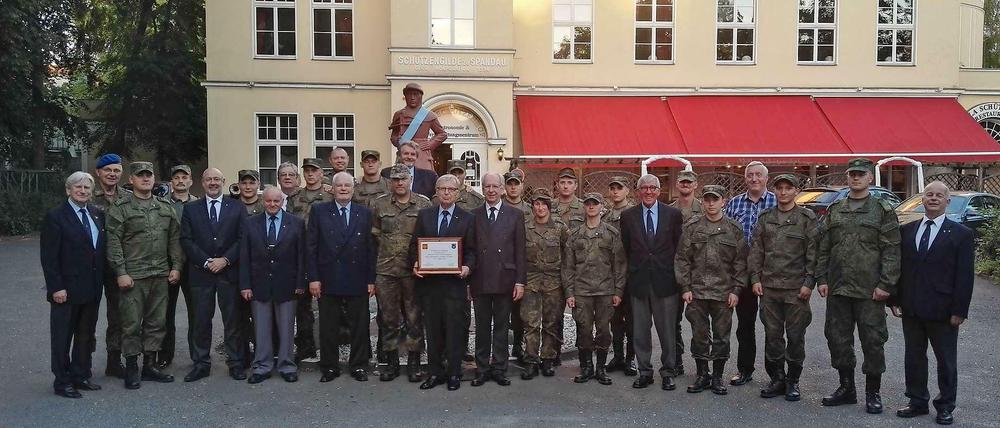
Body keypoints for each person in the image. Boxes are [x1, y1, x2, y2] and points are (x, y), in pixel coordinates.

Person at [816, 158, 901, 414]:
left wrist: (886, 284)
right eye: (852, 174)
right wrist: (822, 279)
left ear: (870, 178)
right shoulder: (836, 209)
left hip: (869, 290)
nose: (855, 178)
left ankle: (872, 393)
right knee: (838, 339)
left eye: (861, 174)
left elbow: (892, 250)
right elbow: (824, 247)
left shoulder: (881, 209)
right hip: (839, 287)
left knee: (873, 341)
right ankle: (846, 388)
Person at [890, 181, 974, 425]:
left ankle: (945, 405)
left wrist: (960, 310)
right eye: (929, 195)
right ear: (922, 199)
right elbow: (900, 268)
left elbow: (965, 276)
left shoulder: (961, 234)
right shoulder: (907, 230)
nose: (934, 198)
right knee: (914, 358)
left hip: (944, 311)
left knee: (946, 360)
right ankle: (917, 401)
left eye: (939, 195)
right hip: (912, 307)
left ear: (947, 201)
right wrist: (895, 299)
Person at [105, 161, 183, 389]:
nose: (146, 179)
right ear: (131, 180)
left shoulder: (164, 207)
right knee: (130, 324)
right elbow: (113, 243)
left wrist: (176, 266)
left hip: (160, 274)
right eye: (140, 176)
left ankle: (149, 365)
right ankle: (131, 366)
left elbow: (174, 241)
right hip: (134, 276)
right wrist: (120, 272)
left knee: (156, 323)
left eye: (149, 175)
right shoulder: (121, 207)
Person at [748, 174, 820, 402]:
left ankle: (793, 381)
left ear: (796, 191)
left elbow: (813, 254)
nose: (783, 192)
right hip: (769, 288)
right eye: (779, 188)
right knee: (772, 337)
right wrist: (755, 279)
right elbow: (756, 250)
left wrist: (809, 283)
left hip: (795, 290)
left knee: (796, 337)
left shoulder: (806, 218)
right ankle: (777, 378)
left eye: (788, 188)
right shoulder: (766, 217)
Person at [676, 185, 747, 396]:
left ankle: (717, 377)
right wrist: (685, 287)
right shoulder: (692, 227)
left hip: (723, 292)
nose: (710, 203)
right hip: (697, 292)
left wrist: (736, 290)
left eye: (715, 199)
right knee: (699, 335)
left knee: (722, 336)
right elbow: (682, 259)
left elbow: (741, 263)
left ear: (723, 201)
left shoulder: (733, 229)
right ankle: (702, 374)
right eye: (707, 199)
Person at [41, 172, 106, 398]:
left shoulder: (97, 214)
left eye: (87, 188)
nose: (82, 191)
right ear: (68, 190)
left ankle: (80, 374)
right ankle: (62, 380)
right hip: (66, 291)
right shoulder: (56, 216)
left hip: (92, 288)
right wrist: (55, 287)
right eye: (78, 187)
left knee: (85, 335)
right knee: (62, 337)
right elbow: (49, 257)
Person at [180, 168, 249, 382]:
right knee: (200, 321)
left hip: (229, 273)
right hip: (201, 274)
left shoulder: (237, 208)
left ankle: (236, 363)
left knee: (233, 321)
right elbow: (186, 240)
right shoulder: (191, 209)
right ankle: (201, 363)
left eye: (217, 179)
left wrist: (225, 260)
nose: (213, 183)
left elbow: (242, 238)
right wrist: (206, 261)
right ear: (202, 182)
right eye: (209, 179)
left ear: (223, 181)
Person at [307, 172, 376, 383]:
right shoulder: (319, 211)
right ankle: (329, 366)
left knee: (360, 325)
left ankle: (359, 365)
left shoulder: (364, 213)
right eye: (340, 186)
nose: (344, 189)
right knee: (328, 325)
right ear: (332, 189)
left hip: (357, 276)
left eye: (348, 185)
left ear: (353, 189)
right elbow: (311, 247)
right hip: (328, 277)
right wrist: (313, 278)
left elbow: (370, 248)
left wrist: (371, 279)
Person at [409, 174, 476, 391]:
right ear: (436, 192)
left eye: (451, 189)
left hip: (454, 285)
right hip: (430, 285)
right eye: (442, 188)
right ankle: (435, 373)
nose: (446, 192)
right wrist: (416, 263)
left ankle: (454, 373)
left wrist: (467, 267)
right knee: (433, 330)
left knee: (454, 331)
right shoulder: (424, 215)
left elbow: (473, 251)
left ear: (458, 193)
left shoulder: (467, 218)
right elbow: (414, 246)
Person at [620, 174, 683, 390]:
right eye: (644, 188)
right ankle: (644, 371)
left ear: (659, 190)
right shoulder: (627, 216)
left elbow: (677, 247)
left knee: (667, 331)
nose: (648, 192)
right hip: (638, 282)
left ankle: (668, 371)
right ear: (638, 191)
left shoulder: (673, 215)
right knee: (640, 331)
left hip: (665, 282)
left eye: (652, 188)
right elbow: (627, 248)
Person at [371, 164, 432, 382]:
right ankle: (392, 362)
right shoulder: (379, 204)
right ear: (390, 182)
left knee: (414, 317)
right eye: (395, 179)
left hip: (414, 271)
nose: (399, 183)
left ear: (410, 181)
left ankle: (414, 362)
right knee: (388, 318)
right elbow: (375, 234)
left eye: (403, 179)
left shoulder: (424, 204)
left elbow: (429, 236)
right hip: (386, 271)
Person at [240, 186, 306, 384]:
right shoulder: (250, 224)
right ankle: (262, 366)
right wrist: (245, 285)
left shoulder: (296, 223)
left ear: (282, 202)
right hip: (259, 284)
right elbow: (244, 256)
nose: (272, 204)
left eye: (276, 201)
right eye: (268, 201)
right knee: (261, 328)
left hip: (287, 284)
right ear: (263, 201)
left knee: (286, 328)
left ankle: (287, 365)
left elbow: (302, 255)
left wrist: (300, 282)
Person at [469, 172, 527, 387]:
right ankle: (482, 368)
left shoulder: (515, 215)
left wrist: (520, 281)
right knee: (482, 327)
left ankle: (500, 368)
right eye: (487, 187)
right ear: (482, 189)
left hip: (506, 278)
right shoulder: (473, 215)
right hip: (480, 279)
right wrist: (468, 282)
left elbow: (520, 250)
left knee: (502, 327)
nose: (491, 190)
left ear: (502, 189)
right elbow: (471, 250)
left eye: (495, 186)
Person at [564, 192, 626, 386]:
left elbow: (619, 265)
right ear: (584, 207)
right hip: (582, 291)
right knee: (583, 330)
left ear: (601, 207)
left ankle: (600, 367)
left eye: (595, 204)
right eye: (588, 204)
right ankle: (587, 367)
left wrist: (618, 291)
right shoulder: (574, 235)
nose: (591, 207)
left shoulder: (612, 234)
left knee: (603, 331)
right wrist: (569, 293)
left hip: (605, 291)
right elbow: (568, 267)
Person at [723, 161, 776, 386]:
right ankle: (745, 369)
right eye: (750, 175)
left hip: (772, 273)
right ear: (745, 178)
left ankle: (777, 375)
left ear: (766, 178)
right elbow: (725, 236)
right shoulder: (734, 204)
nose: (754, 179)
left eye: (758, 175)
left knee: (774, 326)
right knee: (745, 325)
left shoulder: (777, 201)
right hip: (742, 273)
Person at [519, 188, 568, 380]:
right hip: (530, 281)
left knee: (551, 323)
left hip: (553, 282)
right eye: (536, 204)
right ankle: (531, 360)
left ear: (549, 207)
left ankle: (548, 358)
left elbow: (568, 252)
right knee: (530, 323)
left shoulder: (560, 227)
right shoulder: (524, 227)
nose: (539, 208)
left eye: (543, 204)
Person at [288, 158, 333, 363]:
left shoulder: (329, 196)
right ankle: (306, 346)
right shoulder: (295, 197)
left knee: (327, 305)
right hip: (299, 255)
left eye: (314, 171)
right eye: (307, 171)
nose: (311, 174)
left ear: (322, 173)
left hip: (324, 255)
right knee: (302, 304)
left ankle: (328, 347)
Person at [91, 153, 130, 378]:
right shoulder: (88, 195)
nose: (112, 174)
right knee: (87, 315)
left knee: (118, 315)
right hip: (93, 265)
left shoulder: (127, 196)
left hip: (118, 265)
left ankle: (114, 361)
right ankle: (82, 361)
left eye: (116, 171)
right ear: (99, 172)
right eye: (108, 170)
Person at [159, 165, 199, 369]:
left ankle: (197, 355)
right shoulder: (161, 205)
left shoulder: (199, 205)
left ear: (191, 181)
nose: (181, 181)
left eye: (185, 177)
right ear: (171, 182)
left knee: (196, 313)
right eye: (177, 177)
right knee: (165, 313)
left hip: (193, 266)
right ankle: (165, 354)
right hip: (168, 265)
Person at [667, 169, 702, 376]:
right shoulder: (669, 211)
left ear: (695, 185)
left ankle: (702, 365)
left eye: (689, 182)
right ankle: (676, 360)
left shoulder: (705, 208)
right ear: (677, 185)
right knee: (673, 321)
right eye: (682, 182)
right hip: (674, 274)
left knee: (699, 323)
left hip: (699, 275)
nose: (686, 185)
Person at [603, 175, 638, 377]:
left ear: (627, 191)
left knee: (632, 320)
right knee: (614, 319)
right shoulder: (605, 215)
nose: (615, 191)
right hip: (610, 274)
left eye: (620, 188)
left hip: (631, 273)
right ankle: (617, 355)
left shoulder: (634, 213)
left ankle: (630, 358)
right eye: (613, 188)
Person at [503, 169, 530, 364]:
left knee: (521, 312)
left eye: (516, 183)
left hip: (523, 264)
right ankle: (501, 347)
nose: (513, 187)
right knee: (502, 310)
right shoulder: (499, 207)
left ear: (522, 185)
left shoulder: (530, 209)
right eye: (510, 183)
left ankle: (519, 345)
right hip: (502, 266)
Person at [388, 83, 448, 171]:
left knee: (424, 179)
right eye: (409, 94)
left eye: (415, 94)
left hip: (422, 154)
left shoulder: (429, 115)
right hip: (404, 153)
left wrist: (430, 144)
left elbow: (442, 134)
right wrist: (398, 141)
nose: (412, 97)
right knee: (402, 178)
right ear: (405, 96)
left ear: (420, 96)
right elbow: (394, 135)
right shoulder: (399, 114)